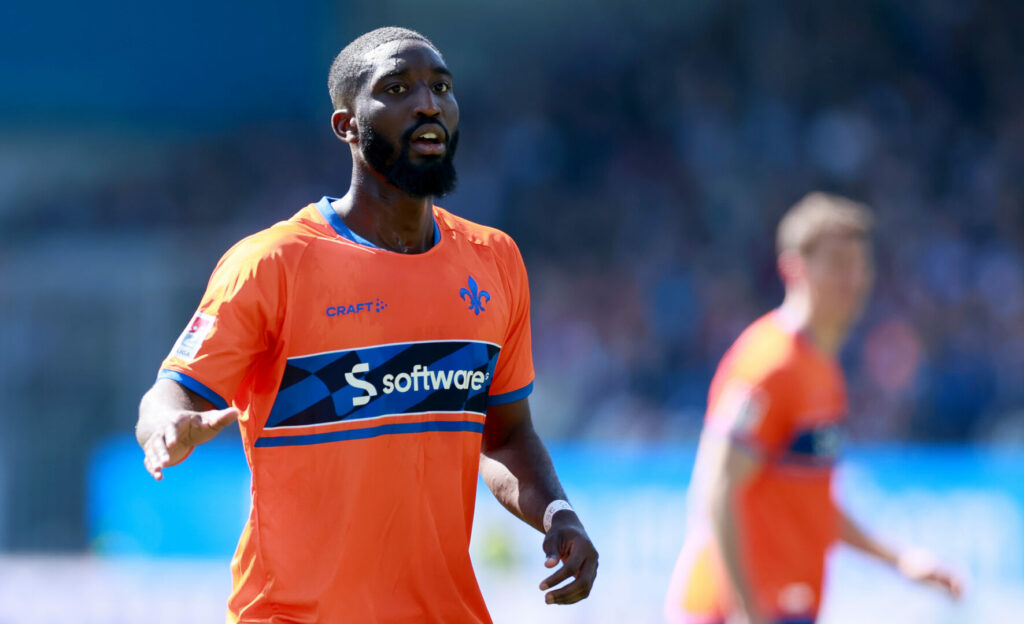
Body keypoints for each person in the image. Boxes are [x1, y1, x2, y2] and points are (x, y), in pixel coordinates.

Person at [135, 26, 598, 624]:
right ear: (347, 125)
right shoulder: (274, 263)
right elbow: (174, 390)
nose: (428, 103)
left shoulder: (495, 259)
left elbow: (506, 434)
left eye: (441, 87)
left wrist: (558, 513)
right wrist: (165, 423)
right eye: (397, 88)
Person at [664, 193, 962, 624]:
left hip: (785, 609)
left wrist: (899, 561)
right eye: (838, 263)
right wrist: (746, 610)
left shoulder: (823, 369)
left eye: (860, 264)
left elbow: (813, 501)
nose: (853, 278)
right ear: (793, 268)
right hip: (731, 612)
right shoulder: (769, 365)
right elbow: (718, 488)